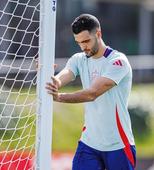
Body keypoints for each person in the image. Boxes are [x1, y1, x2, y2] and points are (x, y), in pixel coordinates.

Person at [46, 14, 136, 170]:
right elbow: (66, 74)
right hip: (89, 145)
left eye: (86, 41)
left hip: (119, 145)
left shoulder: (118, 61)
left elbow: (92, 93)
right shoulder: (78, 59)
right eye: (79, 42)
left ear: (98, 34)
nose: (83, 47)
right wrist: (53, 82)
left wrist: (59, 97)